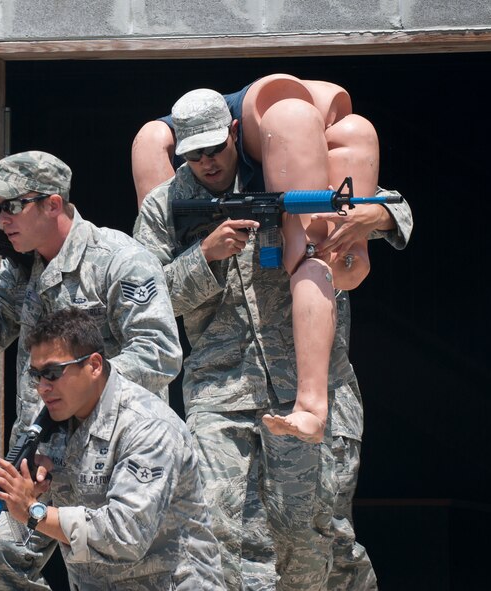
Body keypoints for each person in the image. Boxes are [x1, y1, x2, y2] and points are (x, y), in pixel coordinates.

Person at [132, 79, 412, 590]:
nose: (207, 163)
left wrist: (381, 214)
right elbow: (144, 301)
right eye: (194, 155)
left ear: (234, 132)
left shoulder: (282, 172)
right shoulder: (164, 206)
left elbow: (385, 205)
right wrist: (204, 257)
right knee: (216, 531)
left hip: (307, 389)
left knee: (313, 538)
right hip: (220, 393)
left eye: (215, 149)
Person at [0, 150, 183, 589]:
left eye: (13, 205)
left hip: (109, 452)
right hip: (38, 457)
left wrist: (79, 392)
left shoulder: (120, 259)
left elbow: (159, 352)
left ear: (53, 204)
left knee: (105, 574)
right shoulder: (22, 268)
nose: (2, 218)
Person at [0, 307, 225, 590]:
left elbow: (126, 535)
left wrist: (35, 512)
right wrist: (36, 491)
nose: (42, 387)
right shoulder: (52, 418)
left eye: (52, 373)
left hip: (168, 583)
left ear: (94, 365)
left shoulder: (148, 426)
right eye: (36, 375)